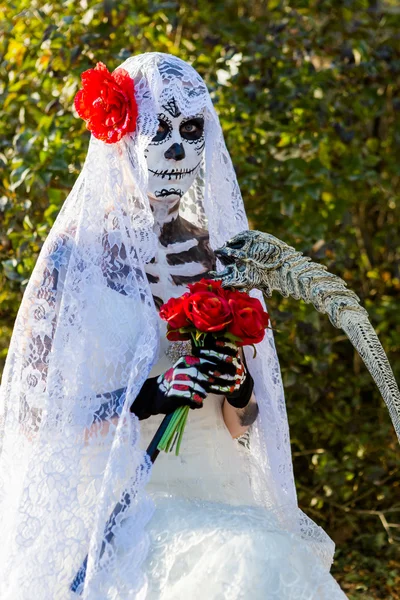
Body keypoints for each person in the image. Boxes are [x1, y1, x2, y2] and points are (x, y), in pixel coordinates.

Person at [0, 53, 347, 599]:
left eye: (191, 129)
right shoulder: (77, 259)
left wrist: (237, 386)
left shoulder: (217, 255)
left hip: (219, 492)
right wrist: (146, 396)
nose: (178, 149)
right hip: (119, 499)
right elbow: (36, 418)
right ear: (125, 133)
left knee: (262, 562)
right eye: (160, 128)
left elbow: (243, 425)